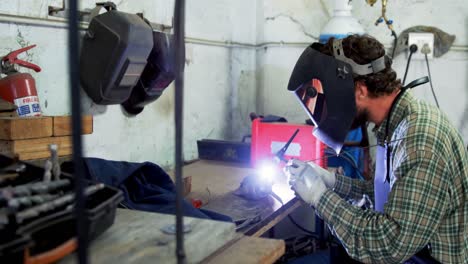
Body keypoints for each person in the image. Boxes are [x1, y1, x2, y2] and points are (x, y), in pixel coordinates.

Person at [285, 35, 468, 263]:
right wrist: (333, 183)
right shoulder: (396, 123)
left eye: (328, 96)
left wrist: (319, 197)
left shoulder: (420, 140)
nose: (326, 107)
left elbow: (388, 244)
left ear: (360, 90)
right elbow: (393, 197)